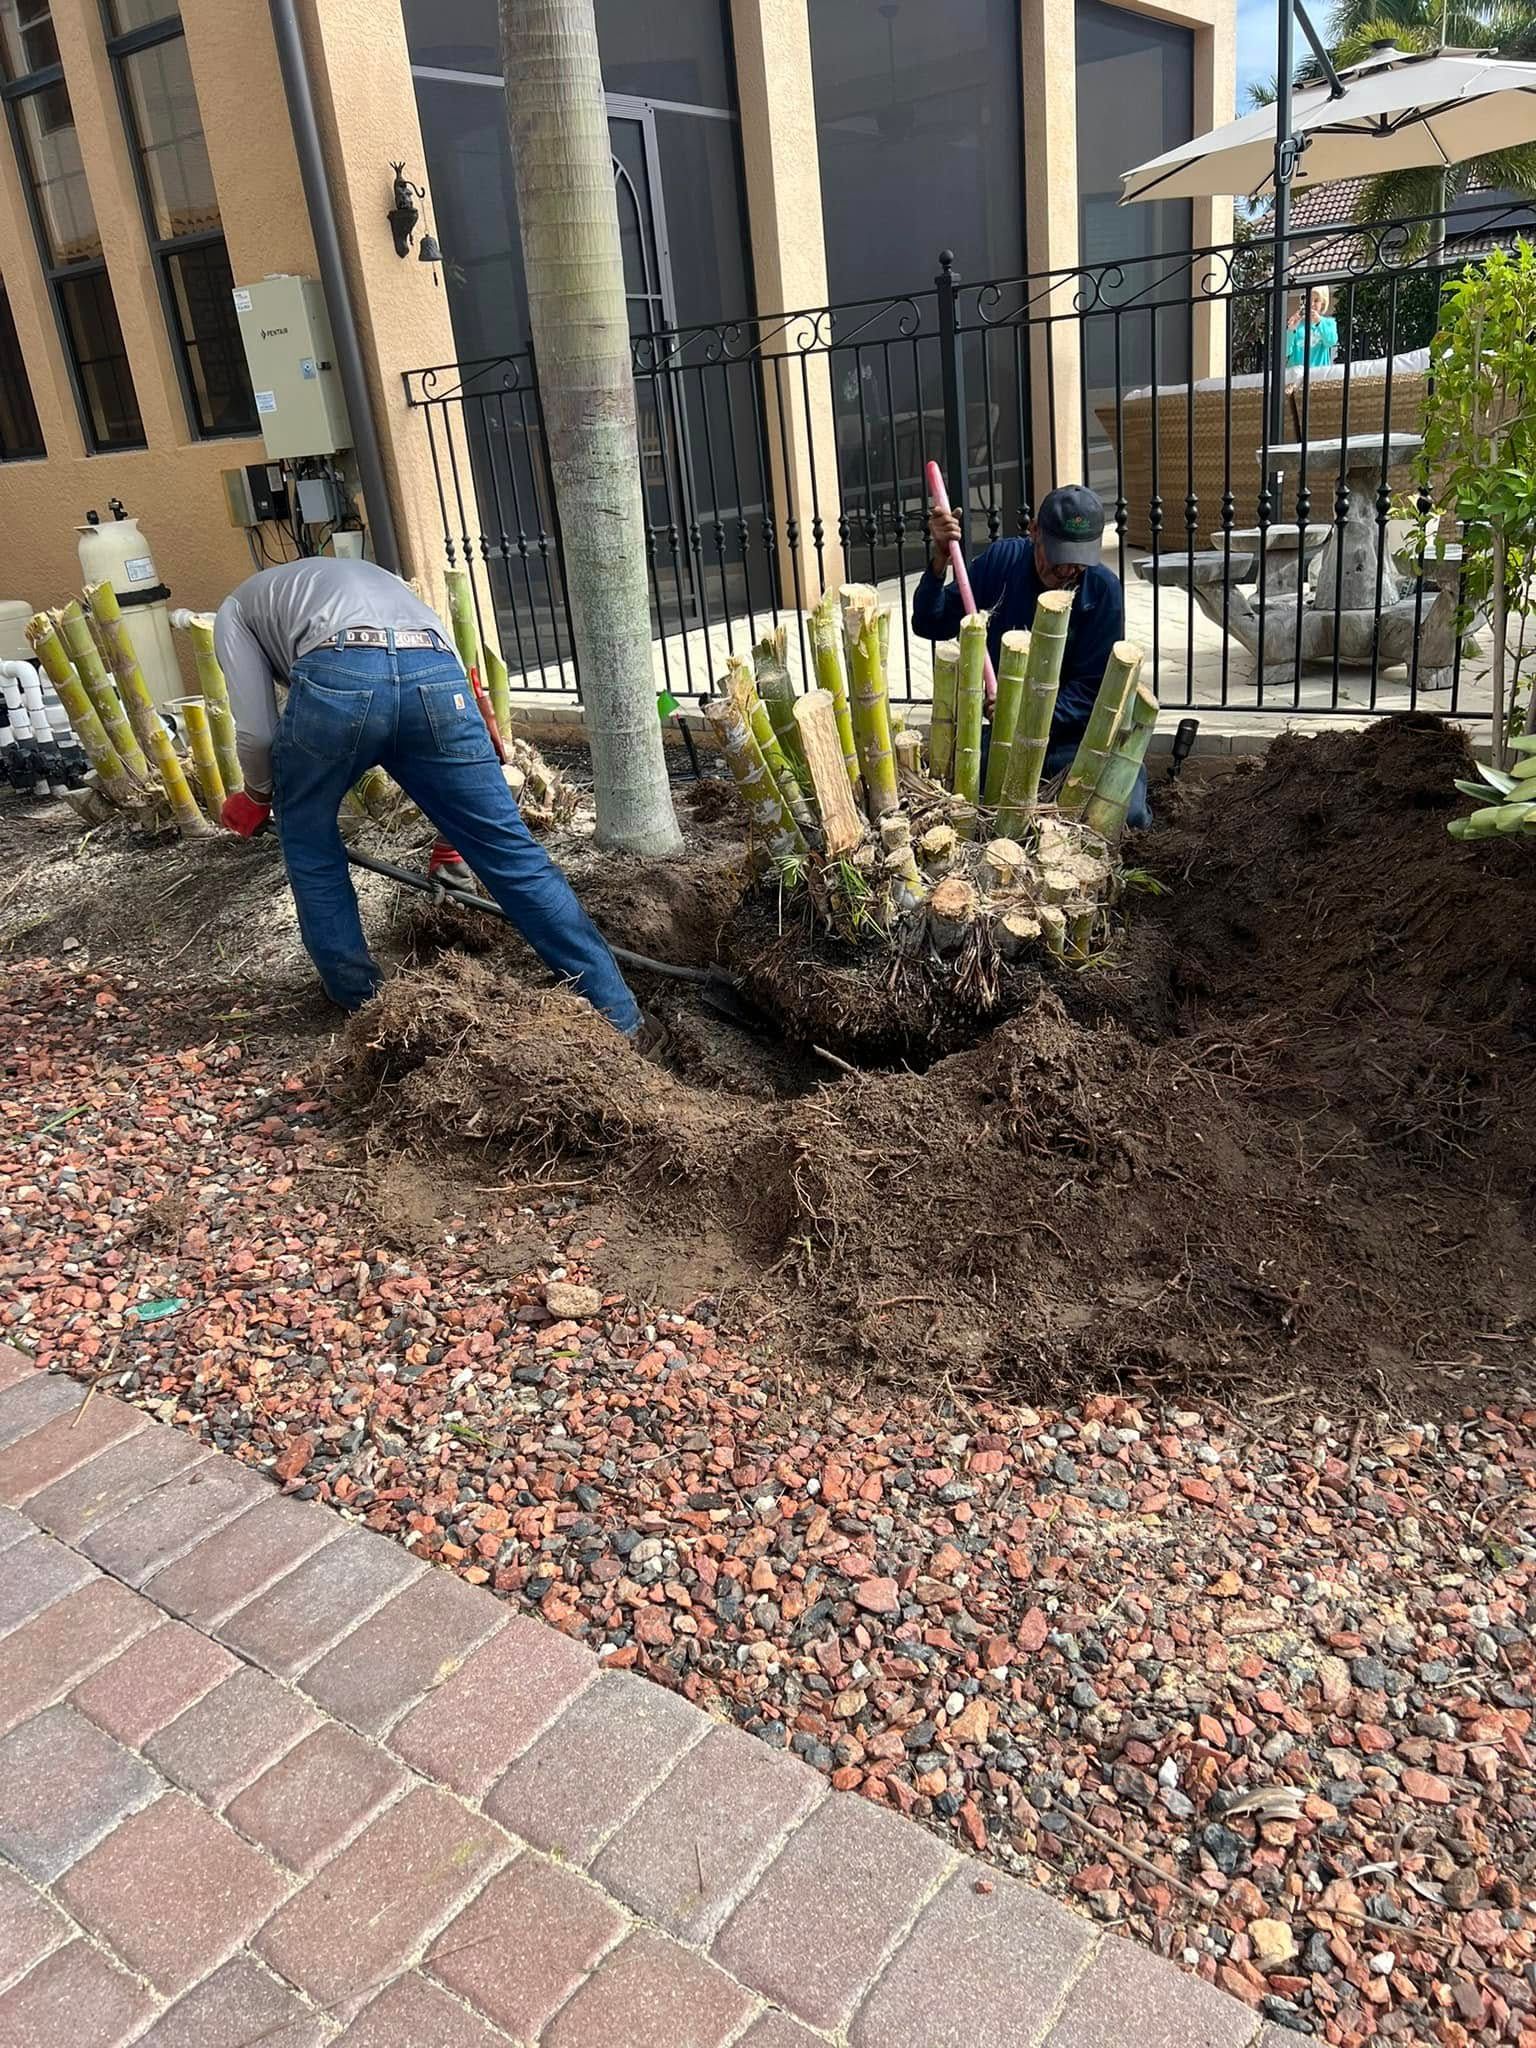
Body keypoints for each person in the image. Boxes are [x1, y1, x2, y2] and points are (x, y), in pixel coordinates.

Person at [214, 556, 641, 1034]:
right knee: (509, 851)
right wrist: (455, 834)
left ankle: (363, 1005)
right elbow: (433, 686)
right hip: (435, 673)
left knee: (310, 844)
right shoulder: (388, 585)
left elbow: (256, 734)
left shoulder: (235, 610)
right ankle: (618, 1013)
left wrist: (256, 795)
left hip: (336, 677)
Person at [913, 482, 1148, 829]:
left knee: (1128, 816)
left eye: (1078, 561)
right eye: (1059, 558)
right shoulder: (1001, 562)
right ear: (1035, 530)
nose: (1068, 572)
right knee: (962, 806)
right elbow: (930, 622)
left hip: (1076, 740)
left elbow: (1091, 691)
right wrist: (938, 562)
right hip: (1005, 737)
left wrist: (1026, 710)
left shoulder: (1102, 589)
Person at [1286, 285, 1338, 372]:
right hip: (1296, 375)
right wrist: (1291, 330)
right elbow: (1285, 351)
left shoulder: (1329, 323)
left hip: (1318, 375)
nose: (1312, 304)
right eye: (1309, 300)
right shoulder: (1297, 323)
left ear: (1323, 304)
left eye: (1316, 300)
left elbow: (1331, 342)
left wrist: (1319, 322)